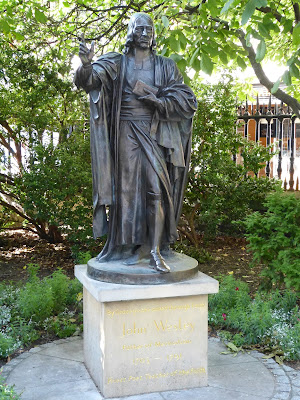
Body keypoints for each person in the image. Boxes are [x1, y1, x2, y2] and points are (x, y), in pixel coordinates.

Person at [75, 12, 197, 273]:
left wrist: (160, 102)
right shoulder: (117, 63)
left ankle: (154, 250)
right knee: (127, 193)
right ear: (130, 32)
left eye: (149, 30)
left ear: (154, 36)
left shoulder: (166, 66)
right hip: (125, 132)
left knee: (156, 190)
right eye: (139, 29)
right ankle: (127, 247)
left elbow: (187, 100)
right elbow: (89, 81)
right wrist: (86, 64)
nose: (144, 34)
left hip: (153, 132)